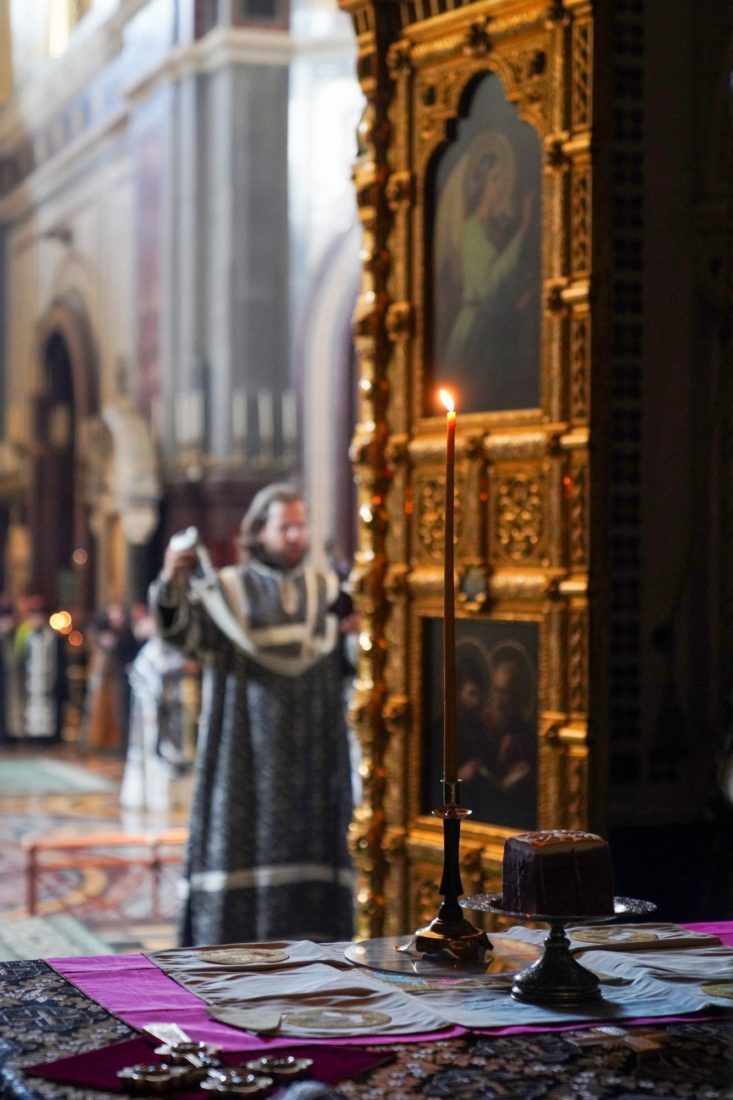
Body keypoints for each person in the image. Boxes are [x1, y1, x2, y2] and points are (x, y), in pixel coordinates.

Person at [150, 482, 355, 946]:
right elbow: (183, 637)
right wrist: (170, 581)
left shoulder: (327, 590)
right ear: (259, 531)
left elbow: (351, 662)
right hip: (242, 749)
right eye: (286, 527)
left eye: (301, 527)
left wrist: (357, 634)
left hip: (313, 750)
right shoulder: (228, 590)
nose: (297, 536)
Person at [119, 632, 199, 815]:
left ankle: (176, 795)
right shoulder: (155, 651)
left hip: (176, 701)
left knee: (181, 748)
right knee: (154, 746)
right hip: (156, 704)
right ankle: (158, 796)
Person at [457, 647, 537, 828]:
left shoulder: (525, 733)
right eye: (497, 690)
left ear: (517, 694)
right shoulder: (480, 724)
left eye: (506, 692)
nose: (500, 699)